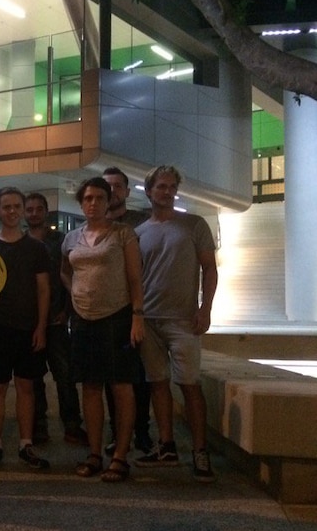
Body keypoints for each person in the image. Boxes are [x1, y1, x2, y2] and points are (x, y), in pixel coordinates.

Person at [133, 165, 218, 483]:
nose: (167, 192)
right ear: (149, 191)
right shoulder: (139, 233)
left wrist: (205, 308)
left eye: (171, 187)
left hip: (183, 320)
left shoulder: (194, 225)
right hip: (149, 321)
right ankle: (166, 446)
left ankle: (200, 450)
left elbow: (209, 268)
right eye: (161, 187)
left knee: (190, 385)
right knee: (157, 383)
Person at [61, 177, 145, 483]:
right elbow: (64, 270)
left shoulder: (123, 234)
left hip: (118, 318)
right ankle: (95, 454)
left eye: (99, 197)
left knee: (122, 386)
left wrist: (138, 316)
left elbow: (136, 279)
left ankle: (120, 456)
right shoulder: (71, 238)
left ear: (109, 201)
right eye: (87, 198)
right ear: (81, 203)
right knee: (91, 387)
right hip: (83, 320)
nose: (93, 203)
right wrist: (76, 292)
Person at [0, 187, 51, 471]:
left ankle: (25, 444)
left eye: (16, 206)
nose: (11, 211)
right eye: (6, 206)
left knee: (26, 387)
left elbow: (43, 290)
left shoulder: (37, 248)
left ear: (22, 209)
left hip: (28, 329)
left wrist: (41, 327)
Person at [25, 192, 88, 447]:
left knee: (66, 377)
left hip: (58, 320)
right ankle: (38, 427)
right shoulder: (20, 242)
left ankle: (72, 426)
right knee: (34, 378)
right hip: (28, 323)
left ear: (46, 211)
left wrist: (68, 309)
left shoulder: (61, 241)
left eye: (38, 209)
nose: (33, 213)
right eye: (29, 209)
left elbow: (70, 277)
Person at [102, 166, 153, 456]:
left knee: (139, 376)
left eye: (117, 186)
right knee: (112, 379)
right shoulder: (95, 226)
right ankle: (116, 432)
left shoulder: (140, 223)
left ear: (126, 191)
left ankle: (142, 432)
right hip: (107, 313)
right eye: (107, 186)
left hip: (136, 310)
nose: (112, 191)